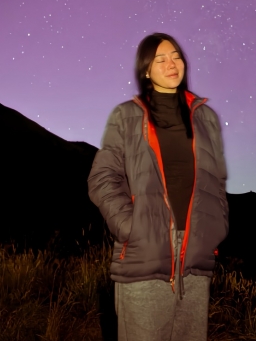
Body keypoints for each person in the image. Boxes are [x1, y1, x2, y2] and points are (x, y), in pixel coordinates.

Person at [88, 33, 229, 341]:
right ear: (146, 71)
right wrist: (131, 227)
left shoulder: (206, 118)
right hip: (144, 257)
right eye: (160, 59)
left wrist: (214, 230)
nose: (171, 64)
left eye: (176, 56)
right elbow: (102, 178)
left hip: (195, 259)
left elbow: (217, 182)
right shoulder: (126, 115)